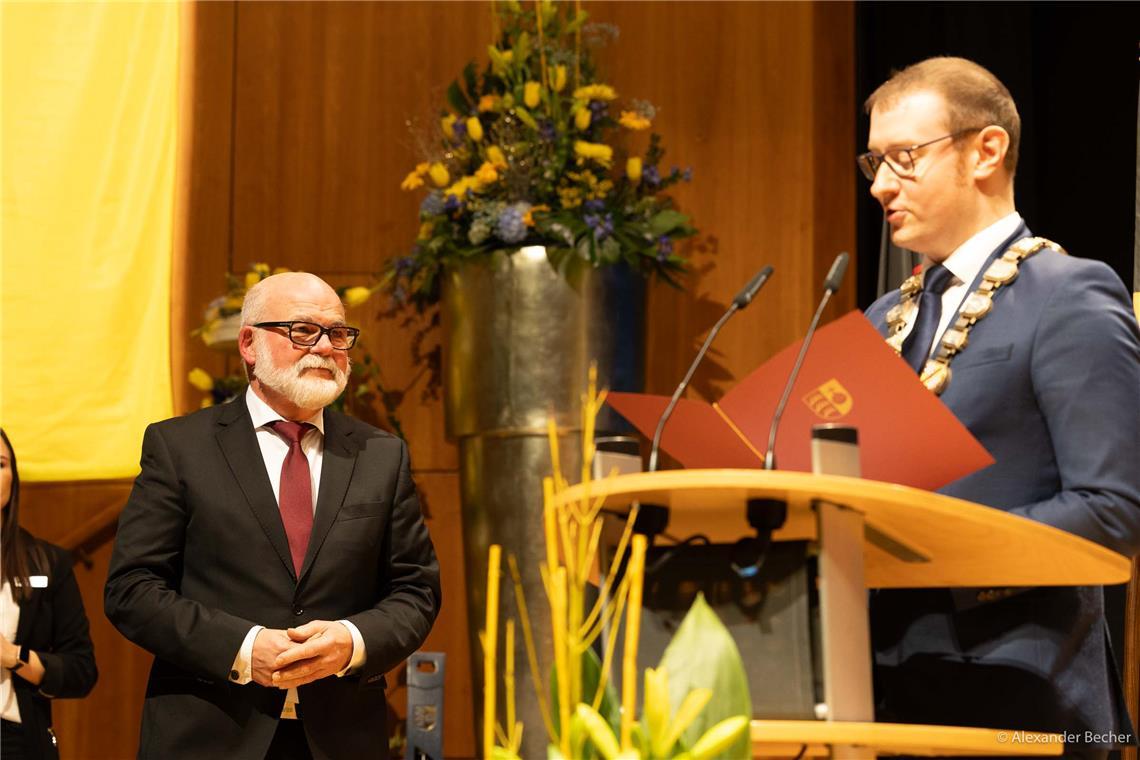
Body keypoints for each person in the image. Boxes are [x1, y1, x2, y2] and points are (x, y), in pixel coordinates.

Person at [860, 57, 1140, 758]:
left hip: (1022, 693)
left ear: (986, 150)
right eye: (874, 160)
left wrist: (932, 551)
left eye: (903, 157)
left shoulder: (1067, 294)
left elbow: (1113, 509)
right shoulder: (877, 320)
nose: (880, 185)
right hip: (872, 689)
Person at [105, 272, 441, 759]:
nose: (326, 347)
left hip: (341, 737)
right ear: (249, 343)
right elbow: (132, 588)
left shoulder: (381, 455)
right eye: (303, 331)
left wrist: (352, 641)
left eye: (338, 333)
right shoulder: (180, 447)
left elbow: (416, 590)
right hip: (210, 733)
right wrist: (242, 647)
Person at [1, 429, 98, 759]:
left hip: (15, 739)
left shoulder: (46, 563)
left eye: (0, 464)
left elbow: (81, 671)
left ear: (12, 478)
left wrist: (14, 657)